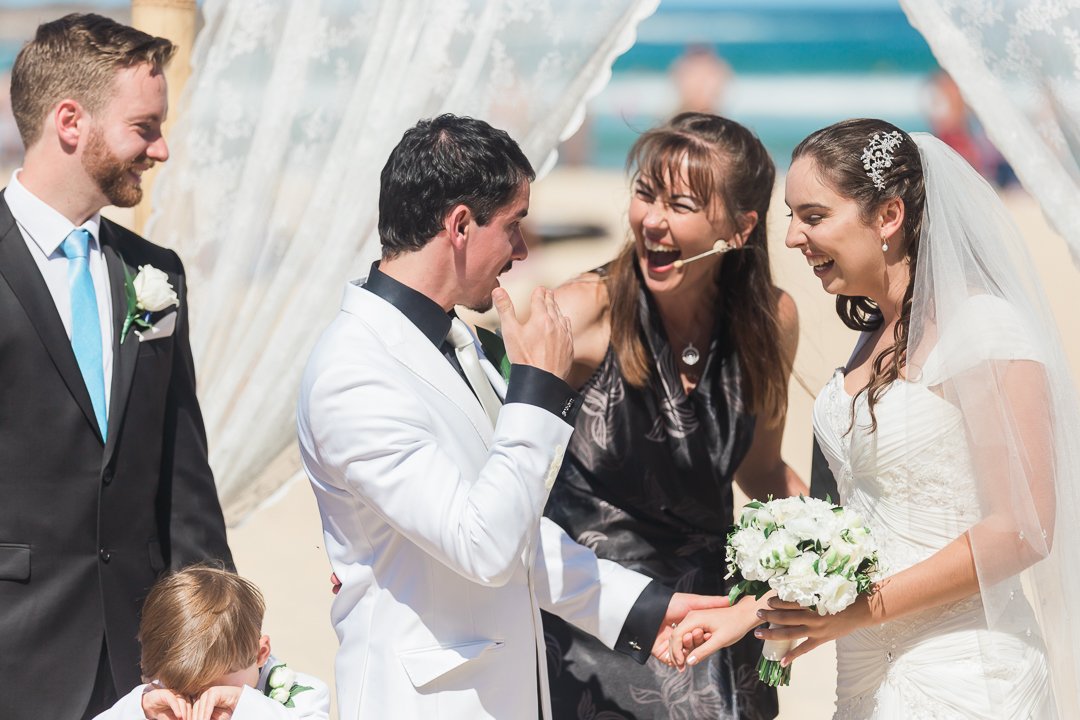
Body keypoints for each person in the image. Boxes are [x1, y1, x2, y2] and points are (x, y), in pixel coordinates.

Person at [296, 113, 729, 720]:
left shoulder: (454, 339)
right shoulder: (354, 371)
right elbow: (483, 547)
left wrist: (641, 610)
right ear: (460, 225)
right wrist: (536, 389)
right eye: (514, 225)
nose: (523, 251)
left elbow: (513, 522)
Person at [670, 118, 1080, 717]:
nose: (791, 238)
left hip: (965, 675)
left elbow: (1022, 528)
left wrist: (857, 612)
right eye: (790, 216)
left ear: (888, 217)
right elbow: (858, 521)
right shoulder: (870, 340)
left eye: (813, 216)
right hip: (863, 672)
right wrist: (752, 609)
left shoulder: (983, 330)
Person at [0, 14, 232, 720]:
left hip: (144, 673)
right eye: (144, 127)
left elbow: (182, 477)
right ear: (71, 122)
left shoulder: (154, 275)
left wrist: (220, 638)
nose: (161, 149)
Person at [541, 112, 804, 719]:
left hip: (712, 619)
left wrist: (835, 540)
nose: (652, 220)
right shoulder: (579, 312)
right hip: (596, 624)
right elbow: (501, 463)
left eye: (680, 203)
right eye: (643, 194)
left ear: (741, 229)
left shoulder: (771, 319)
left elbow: (762, 470)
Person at [94, 565, 330, 720]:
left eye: (216, 689)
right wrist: (141, 711)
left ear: (261, 653)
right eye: (186, 693)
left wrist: (244, 706)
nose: (201, 703)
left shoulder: (304, 697)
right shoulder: (155, 699)